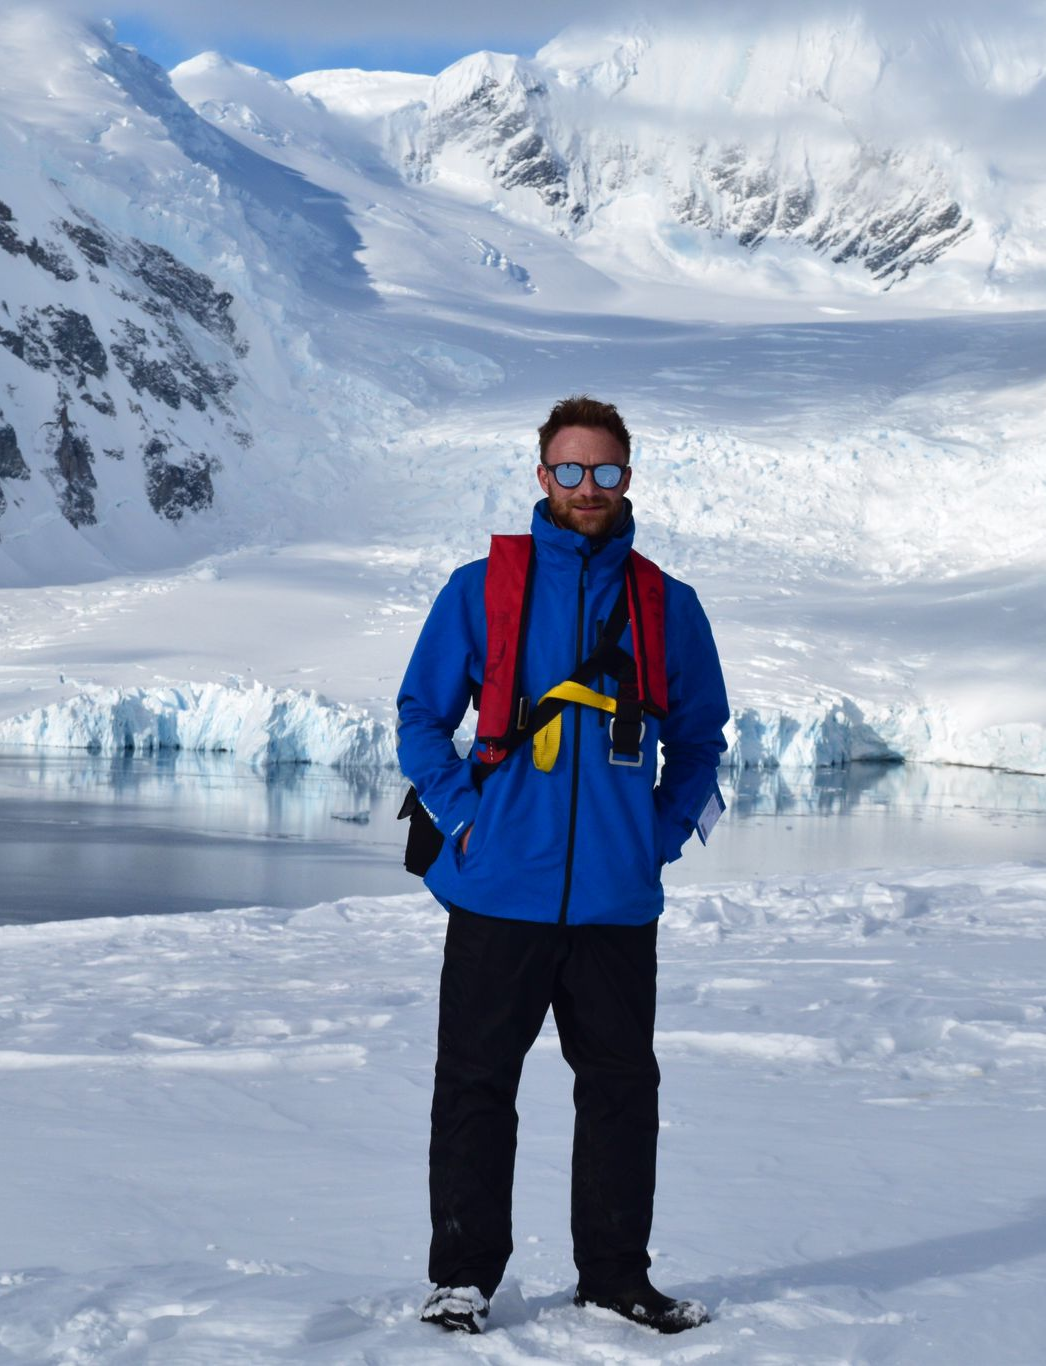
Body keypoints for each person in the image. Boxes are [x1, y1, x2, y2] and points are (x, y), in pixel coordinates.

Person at [396, 395, 730, 1336]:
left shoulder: (669, 606)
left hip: (615, 906)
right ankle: (463, 1279)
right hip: (498, 889)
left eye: (607, 471)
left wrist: (655, 839)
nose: (590, 488)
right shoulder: (483, 590)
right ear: (542, 476)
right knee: (474, 1087)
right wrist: (466, 819)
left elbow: (703, 744)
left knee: (623, 1089)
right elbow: (420, 719)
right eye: (572, 471)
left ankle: (617, 1277)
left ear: (630, 476)